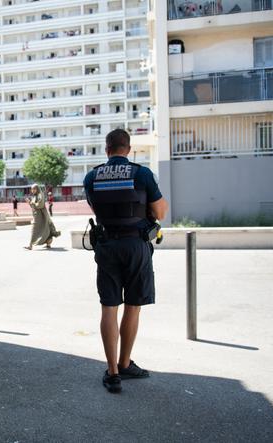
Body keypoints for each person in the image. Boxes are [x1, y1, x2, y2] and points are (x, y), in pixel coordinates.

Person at [83, 129, 168, 394]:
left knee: (109, 307)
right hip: (136, 246)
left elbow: (98, 210)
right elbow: (160, 212)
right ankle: (125, 362)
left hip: (107, 246)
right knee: (133, 306)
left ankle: (112, 372)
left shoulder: (91, 176)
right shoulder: (141, 174)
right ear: (127, 149)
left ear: (107, 149)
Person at [24, 184, 60, 250]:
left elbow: (39, 205)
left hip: (41, 217)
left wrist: (31, 203)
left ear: (37, 189)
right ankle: (48, 243)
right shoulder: (35, 196)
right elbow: (33, 206)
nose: (32, 190)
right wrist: (29, 202)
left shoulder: (40, 195)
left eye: (34, 189)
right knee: (44, 229)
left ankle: (30, 245)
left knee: (37, 229)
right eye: (32, 189)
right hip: (37, 216)